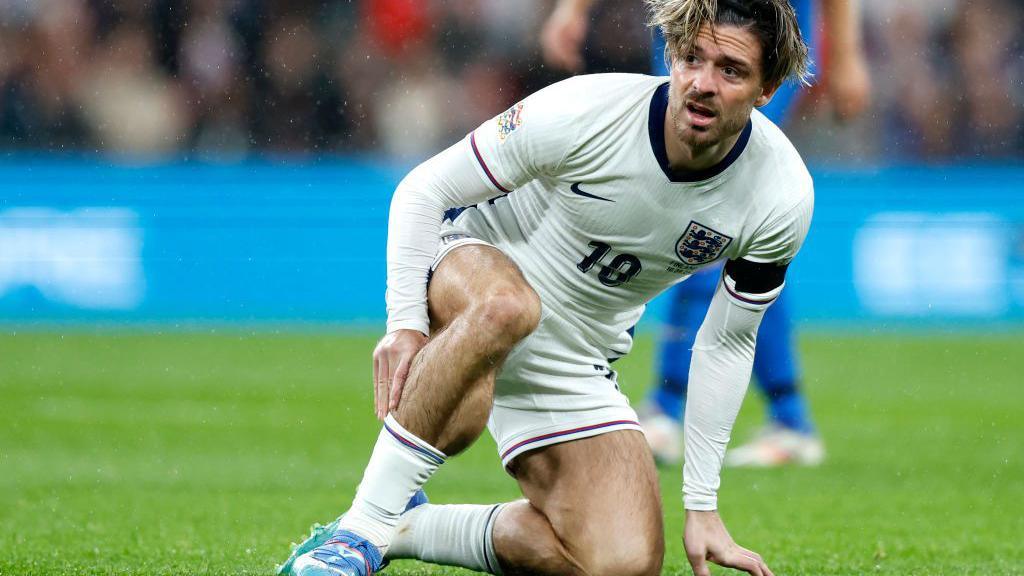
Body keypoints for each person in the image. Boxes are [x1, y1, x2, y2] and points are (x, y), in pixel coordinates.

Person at [280, 1, 813, 575]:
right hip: (474, 273)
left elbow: (725, 344)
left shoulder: (780, 196)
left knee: (622, 564)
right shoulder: (587, 110)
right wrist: (406, 326)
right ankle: (358, 532)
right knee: (505, 315)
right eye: (690, 59)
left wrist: (702, 506)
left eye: (730, 71)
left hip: (575, 356)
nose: (702, 84)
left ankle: (404, 527)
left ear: (768, 89)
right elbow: (421, 190)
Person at [542, 0, 870, 466]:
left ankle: (668, 407)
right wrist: (573, 10)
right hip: (687, 21)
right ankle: (789, 417)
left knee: (713, 207)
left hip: (762, 31)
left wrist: (849, 54)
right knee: (729, 225)